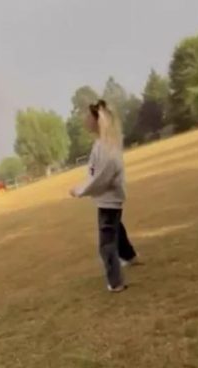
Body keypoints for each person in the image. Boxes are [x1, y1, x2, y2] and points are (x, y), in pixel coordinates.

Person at [70, 99, 138, 293]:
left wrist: (80, 190)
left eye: (88, 117)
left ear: (97, 120)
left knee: (106, 245)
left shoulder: (106, 148)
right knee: (117, 229)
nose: (85, 120)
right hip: (109, 199)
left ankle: (115, 282)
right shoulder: (103, 144)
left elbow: (101, 178)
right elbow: (96, 174)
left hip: (109, 200)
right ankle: (130, 256)